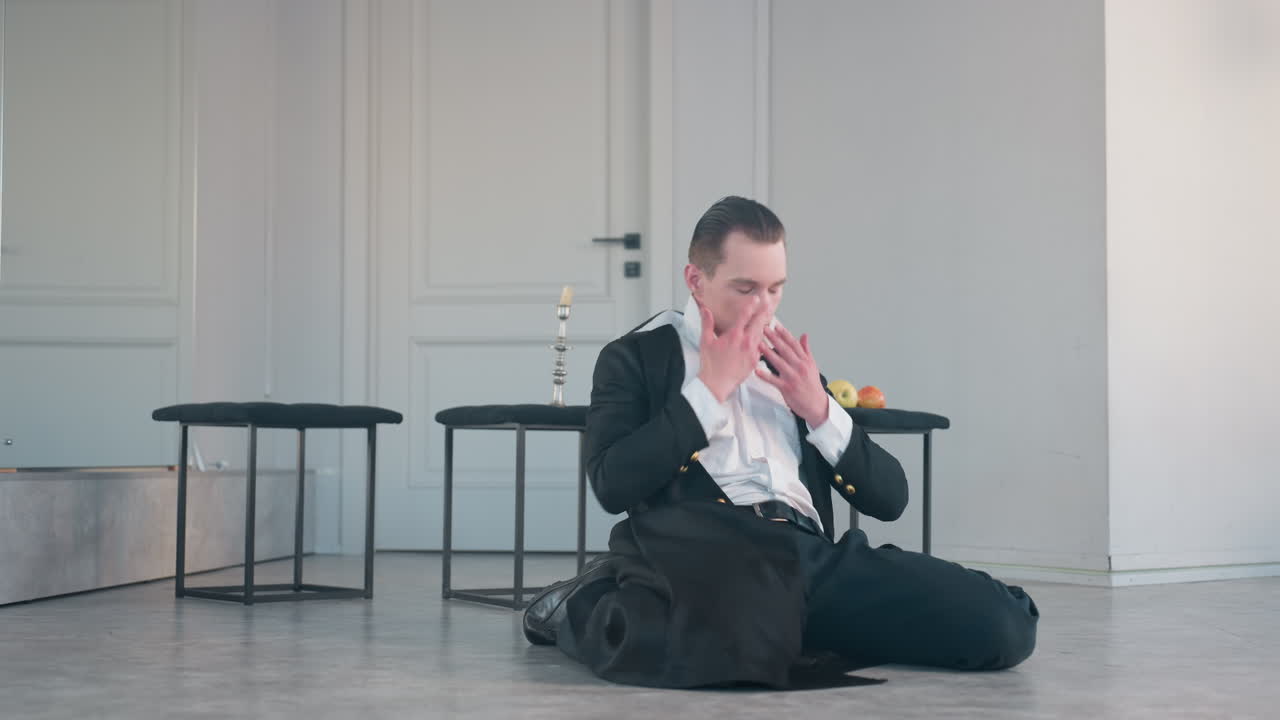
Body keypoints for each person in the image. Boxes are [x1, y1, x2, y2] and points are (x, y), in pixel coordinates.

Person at [523, 196, 1039, 689]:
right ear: (696, 281)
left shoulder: (789, 361)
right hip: (704, 554)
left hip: (806, 557)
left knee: (1004, 624)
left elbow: (892, 500)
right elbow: (613, 484)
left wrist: (819, 409)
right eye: (746, 288)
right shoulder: (636, 356)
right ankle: (594, 598)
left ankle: (787, 627)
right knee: (718, 636)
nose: (764, 307)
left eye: (776, 288)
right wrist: (709, 392)